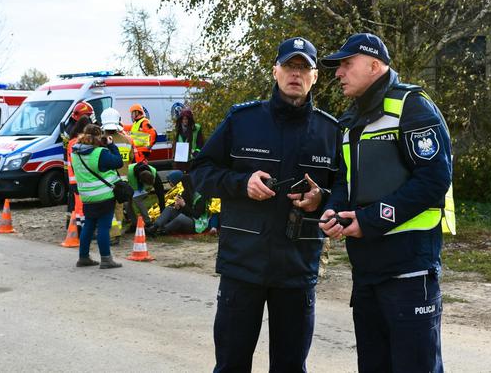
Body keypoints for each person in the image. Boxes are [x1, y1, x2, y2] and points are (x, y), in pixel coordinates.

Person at [191, 36, 341, 373]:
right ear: (275, 71)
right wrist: (241, 184)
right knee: (231, 364)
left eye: (304, 68)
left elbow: (345, 190)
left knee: (290, 367)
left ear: (315, 77)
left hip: (297, 269)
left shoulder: (331, 131)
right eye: (289, 66)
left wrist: (321, 199)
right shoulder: (243, 121)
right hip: (242, 266)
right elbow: (200, 171)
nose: (295, 74)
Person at [319, 33, 454, 373]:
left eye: (347, 64)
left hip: (409, 269)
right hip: (366, 271)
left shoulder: (412, 108)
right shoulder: (350, 121)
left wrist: (370, 220)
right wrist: (333, 210)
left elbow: (434, 180)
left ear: (375, 65)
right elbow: (343, 181)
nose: (339, 73)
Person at [71, 124, 124, 269]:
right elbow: (118, 162)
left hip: (87, 197)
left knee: (88, 226)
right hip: (104, 196)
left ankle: (83, 257)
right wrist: (112, 145)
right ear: (98, 136)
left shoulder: (75, 154)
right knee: (103, 228)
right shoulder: (100, 153)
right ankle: (106, 259)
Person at [100, 107, 142, 244]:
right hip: (122, 181)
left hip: (105, 180)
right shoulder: (128, 140)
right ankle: (116, 232)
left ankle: (110, 234)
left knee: (106, 207)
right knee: (119, 208)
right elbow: (131, 159)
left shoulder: (100, 141)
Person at [146, 170, 208, 236]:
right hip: (186, 220)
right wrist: (178, 207)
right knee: (169, 209)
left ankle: (163, 231)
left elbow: (197, 215)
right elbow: (185, 211)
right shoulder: (185, 194)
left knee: (181, 217)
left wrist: (183, 205)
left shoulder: (200, 197)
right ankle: (154, 227)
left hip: (196, 224)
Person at [65, 114, 93, 233]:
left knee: (77, 205)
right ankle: (83, 230)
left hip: (72, 178)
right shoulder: (80, 142)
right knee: (82, 206)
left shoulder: (71, 141)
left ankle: (76, 227)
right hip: (81, 177)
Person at [126, 161, 165, 230]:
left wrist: (163, 213)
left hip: (141, 188)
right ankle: (134, 223)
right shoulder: (129, 172)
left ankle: (147, 222)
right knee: (127, 203)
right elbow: (131, 191)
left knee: (138, 201)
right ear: (140, 180)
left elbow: (161, 193)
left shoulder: (153, 172)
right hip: (129, 186)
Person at [172, 107, 204, 172]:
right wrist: (174, 155)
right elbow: (175, 143)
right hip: (180, 159)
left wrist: (196, 152)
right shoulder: (178, 129)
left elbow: (200, 143)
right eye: (183, 119)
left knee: (190, 178)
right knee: (181, 179)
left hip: (192, 158)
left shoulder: (197, 128)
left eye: (186, 119)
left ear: (190, 119)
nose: (185, 121)